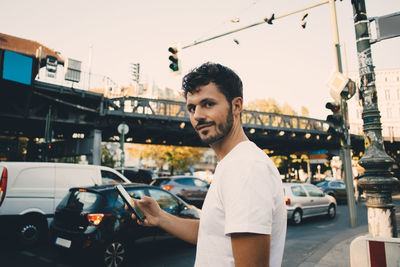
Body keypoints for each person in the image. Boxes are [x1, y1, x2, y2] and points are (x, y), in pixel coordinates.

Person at [128, 62, 287, 267]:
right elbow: (212, 233)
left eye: (208, 104)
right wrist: (160, 217)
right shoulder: (231, 163)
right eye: (192, 108)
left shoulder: (245, 167)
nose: (197, 116)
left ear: (236, 106)